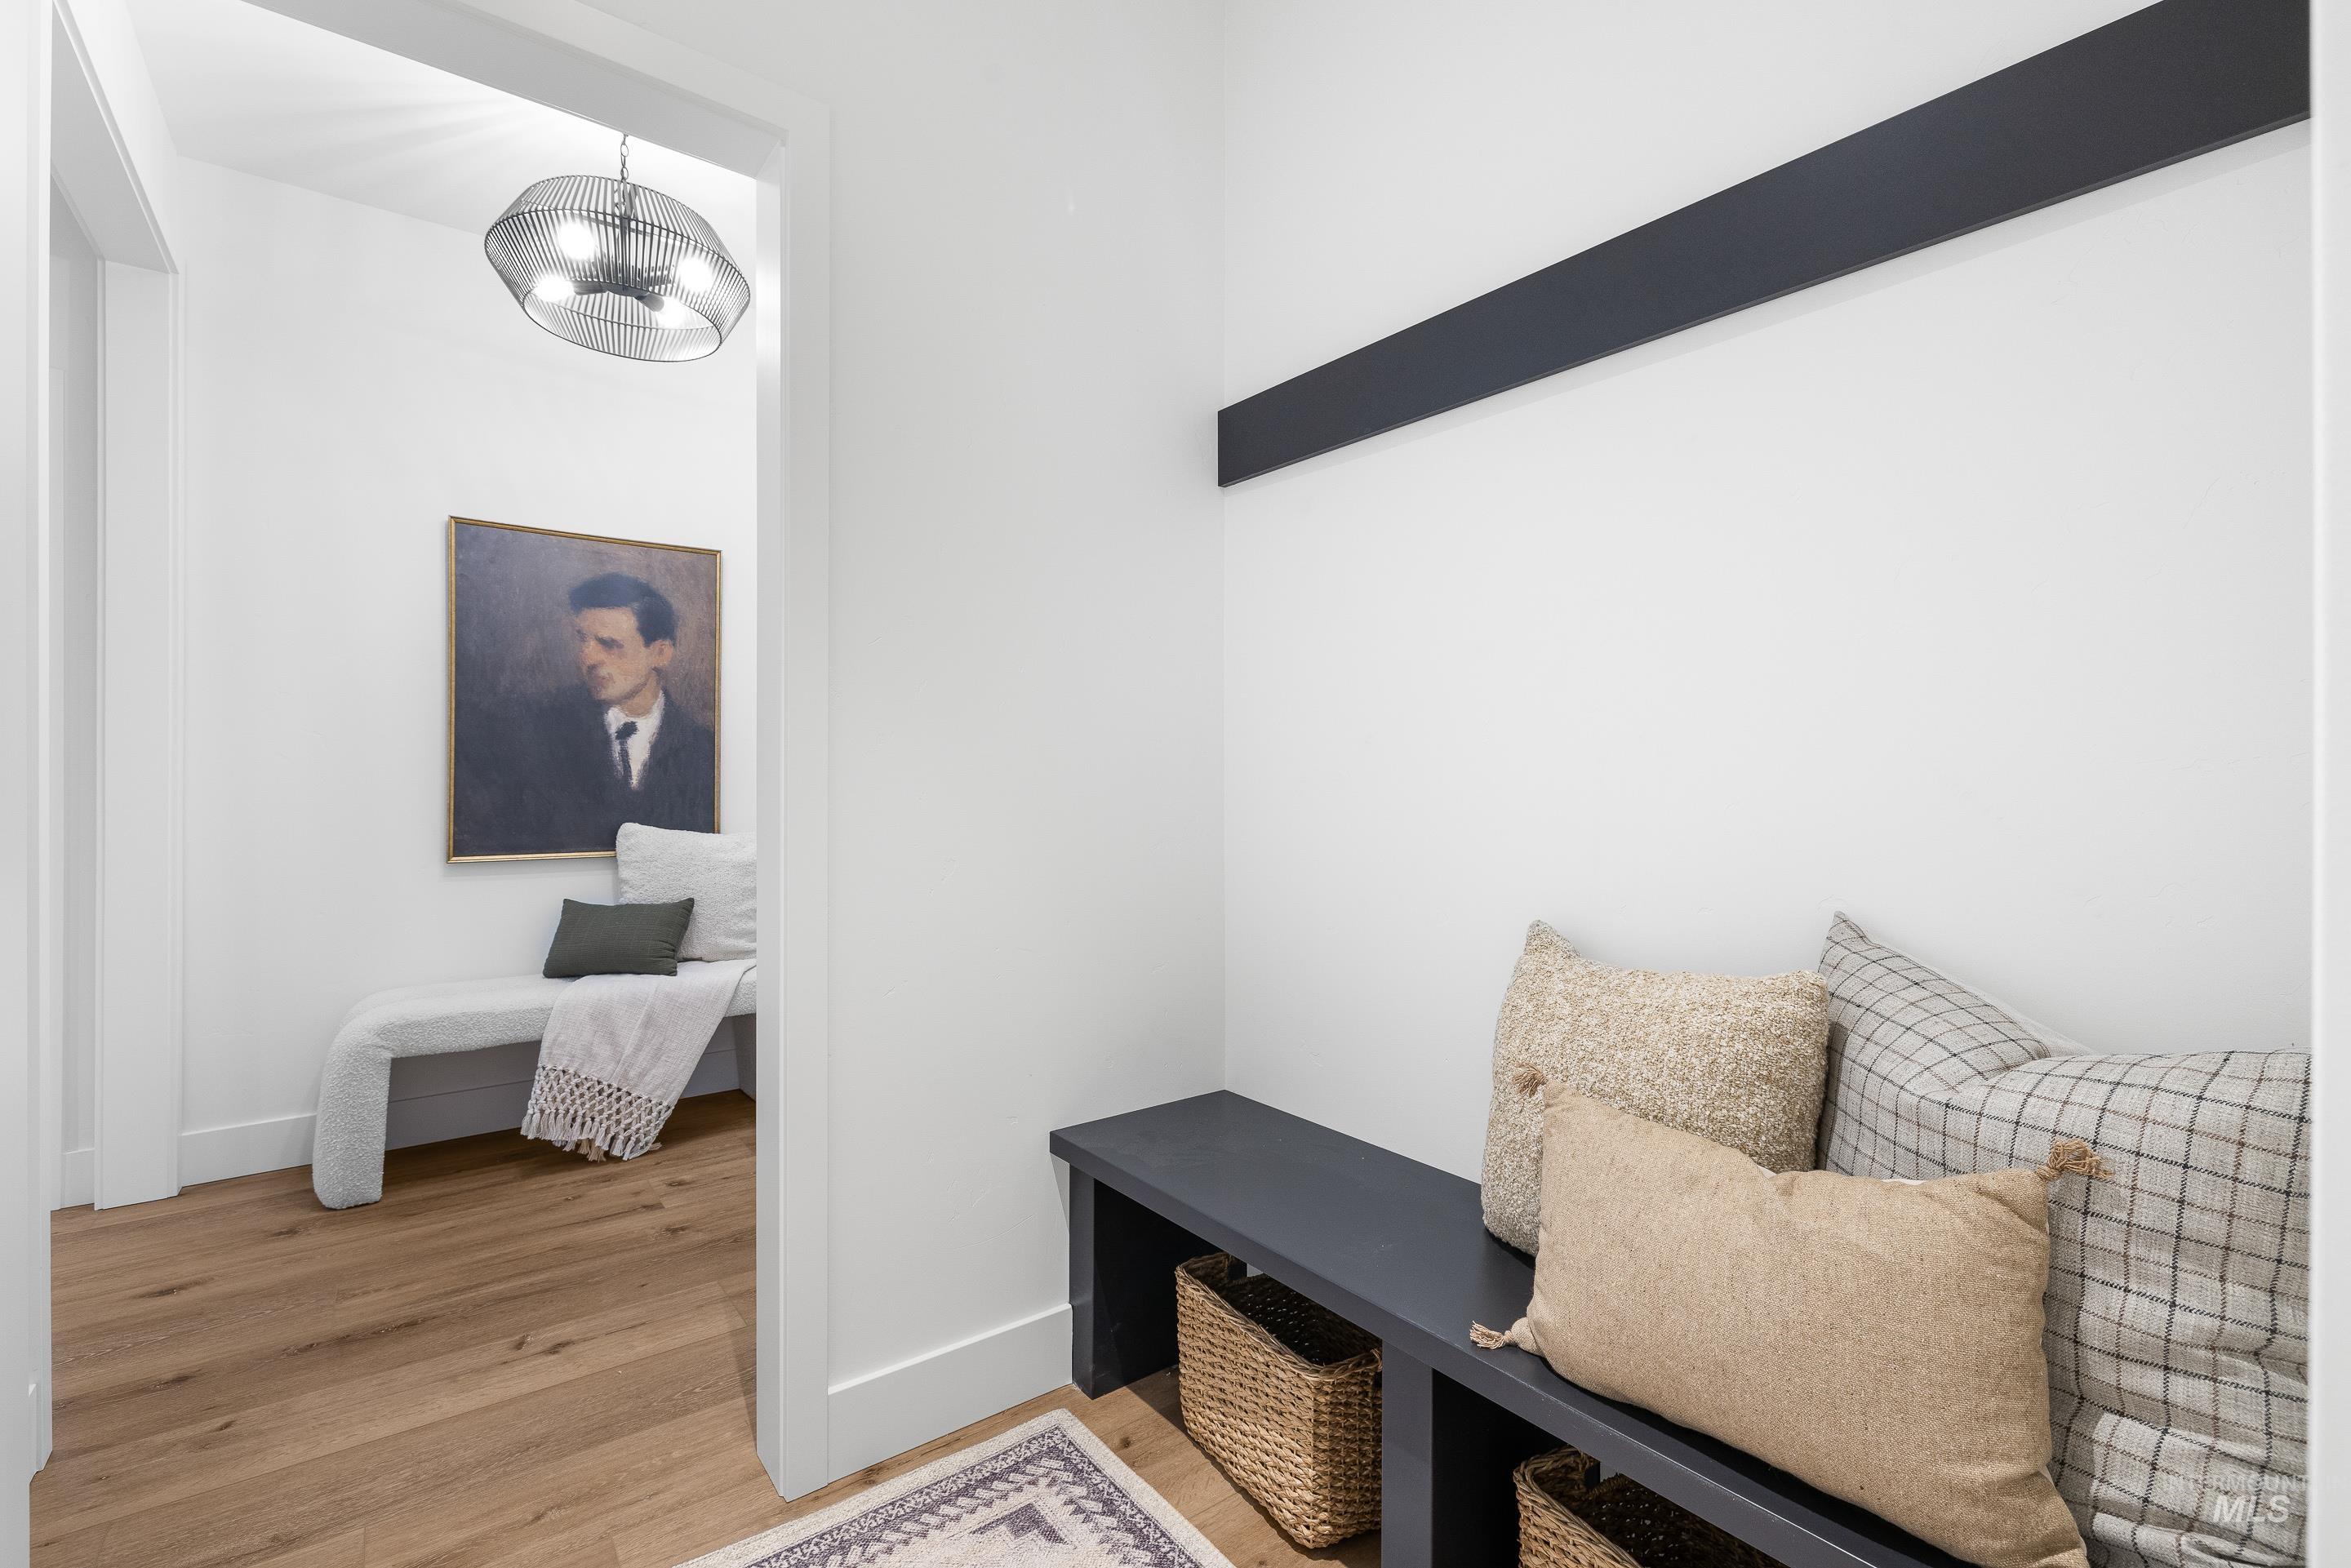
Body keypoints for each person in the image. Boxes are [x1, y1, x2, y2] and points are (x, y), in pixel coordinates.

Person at [452, 572, 717, 857]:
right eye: (583, 639)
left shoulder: (702, 748)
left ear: (660, 654)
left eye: (609, 644)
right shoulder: (531, 728)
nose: (588, 658)